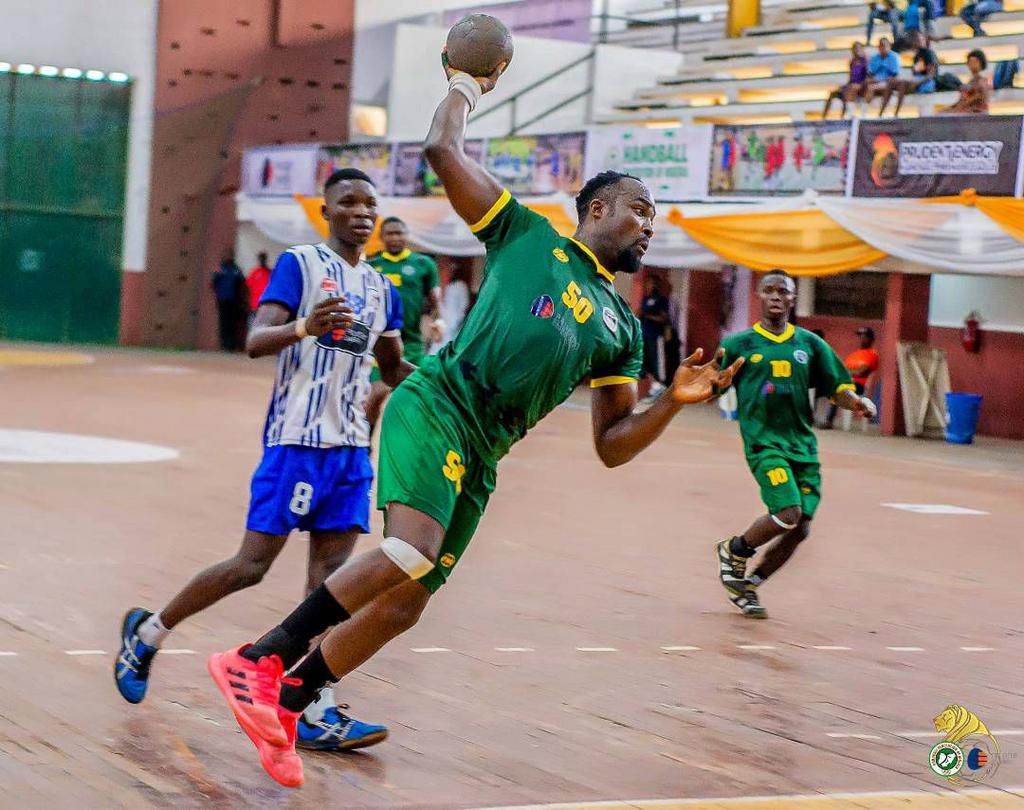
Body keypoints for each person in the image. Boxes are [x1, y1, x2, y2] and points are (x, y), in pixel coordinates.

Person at [204, 55, 743, 788]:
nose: (651, 223)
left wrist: (671, 403)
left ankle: (291, 704)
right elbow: (441, 152)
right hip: (439, 404)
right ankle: (258, 660)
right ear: (596, 210)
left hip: (485, 452)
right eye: (639, 209)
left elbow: (613, 447)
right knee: (410, 551)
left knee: (405, 606)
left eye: (655, 215)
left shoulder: (621, 327)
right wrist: (465, 83)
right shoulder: (527, 236)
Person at [115, 168, 413, 752]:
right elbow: (255, 340)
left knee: (332, 586)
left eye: (369, 204)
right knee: (252, 565)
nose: (360, 212)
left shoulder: (385, 290)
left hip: (351, 449)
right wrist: (307, 325)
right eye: (347, 202)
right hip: (295, 442)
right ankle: (148, 633)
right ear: (325, 212)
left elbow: (393, 367)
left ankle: (313, 708)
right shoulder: (301, 266)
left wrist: (450, 385)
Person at [715, 270, 876, 618]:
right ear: (759, 295)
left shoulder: (810, 345)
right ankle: (735, 550)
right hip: (764, 444)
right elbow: (711, 383)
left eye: (783, 291)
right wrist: (701, 387)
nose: (776, 296)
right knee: (788, 512)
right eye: (769, 290)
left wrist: (857, 402)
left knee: (800, 528)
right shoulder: (738, 345)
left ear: (793, 298)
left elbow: (838, 388)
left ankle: (751, 585)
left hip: (802, 447)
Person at [365, 217, 444, 431]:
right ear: (381, 237)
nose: (395, 237)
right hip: (380, 343)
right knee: (376, 394)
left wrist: (438, 319)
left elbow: (434, 297)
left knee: (419, 396)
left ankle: (417, 450)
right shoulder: (371, 265)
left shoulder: (422, 264)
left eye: (399, 233)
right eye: (390, 233)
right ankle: (364, 445)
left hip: (411, 342)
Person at [823, 326, 880, 428]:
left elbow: (860, 372)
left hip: (859, 385)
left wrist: (846, 373)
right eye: (860, 336)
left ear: (871, 339)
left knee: (838, 387)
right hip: (847, 382)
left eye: (864, 336)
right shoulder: (855, 354)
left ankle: (829, 420)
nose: (861, 338)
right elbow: (841, 369)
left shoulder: (872, 354)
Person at [877, 29, 938, 117]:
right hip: (917, 79)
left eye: (918, 39)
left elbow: (931, 74)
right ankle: (882, 112)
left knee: (902, 83)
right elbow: (915, 72)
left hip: (926, 82)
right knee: (891, 83)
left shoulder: (929, 53)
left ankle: (896, 113)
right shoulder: (917, 55)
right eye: (915, 39)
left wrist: (917, 82)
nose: (916, 41)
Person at [641, 274, 671, 393]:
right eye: (648, 283)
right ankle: (654, 385)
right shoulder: (645, 299)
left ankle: (660, 385)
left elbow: (664, 319)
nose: (650, 286)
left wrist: (650, 316)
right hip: (644, 334)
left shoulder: (661, 300)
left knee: (658, 363)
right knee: (643, 362)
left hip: (656, 335)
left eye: (652, 283)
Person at [823, 42, 869, 119]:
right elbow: (851, 78)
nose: (856, 50)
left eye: (858, 48)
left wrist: (860, 85)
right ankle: (824, 117)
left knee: (850, 89)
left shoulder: (866, 61)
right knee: (834, 93)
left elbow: (868, 77)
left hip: (861, 87)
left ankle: (847, 114)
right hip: (852, 85)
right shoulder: (852, 62)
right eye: (854, 48)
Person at [212, 251, 247, 351]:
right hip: (222, 300)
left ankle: (231, 345)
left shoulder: (236, 269)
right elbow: (213, 283)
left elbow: (242, 283)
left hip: (233, 301)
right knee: (223, 323)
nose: (228, 258)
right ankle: (224, 345)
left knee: (232, 323)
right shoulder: (220, 270)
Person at [435, 262, 472, 352]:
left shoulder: (460, 286)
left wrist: (458, 320)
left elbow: (464, 305)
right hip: (441, 322)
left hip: (455, 322)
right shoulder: (441, 286)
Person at [940, 49, 991, 113]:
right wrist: (949, 109)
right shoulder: (971, 81)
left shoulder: (982, 81)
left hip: (975, 114)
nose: (972, 64)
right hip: (965, 112)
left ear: (981, 63)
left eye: (975, 62)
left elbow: (974, 99)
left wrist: (955, 109)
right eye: (970, 62)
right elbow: (961, 101)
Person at [862, 38, 902, 108]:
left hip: (889, 82)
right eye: (881, 45)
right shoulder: (874, 58)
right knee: (863, 84)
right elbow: (870, 73)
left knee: (871, 88)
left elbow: (895, 75)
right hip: (876, 81)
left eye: (885, 45)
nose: (883, 48)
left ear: (889, 46)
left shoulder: (894, 57)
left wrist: (879, 81)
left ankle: (864, 111)